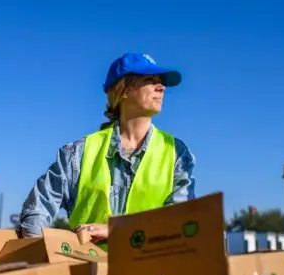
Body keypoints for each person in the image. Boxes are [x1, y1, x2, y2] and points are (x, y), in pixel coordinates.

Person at [19, 52, 196, 249]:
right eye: (150, 80)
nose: (161, 87)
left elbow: (182, 222)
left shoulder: (176, 153)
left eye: (161, 82)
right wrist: (42, 259)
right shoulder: (78, 154)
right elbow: (36, 211)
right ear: (124, 89)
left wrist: (116, 230)